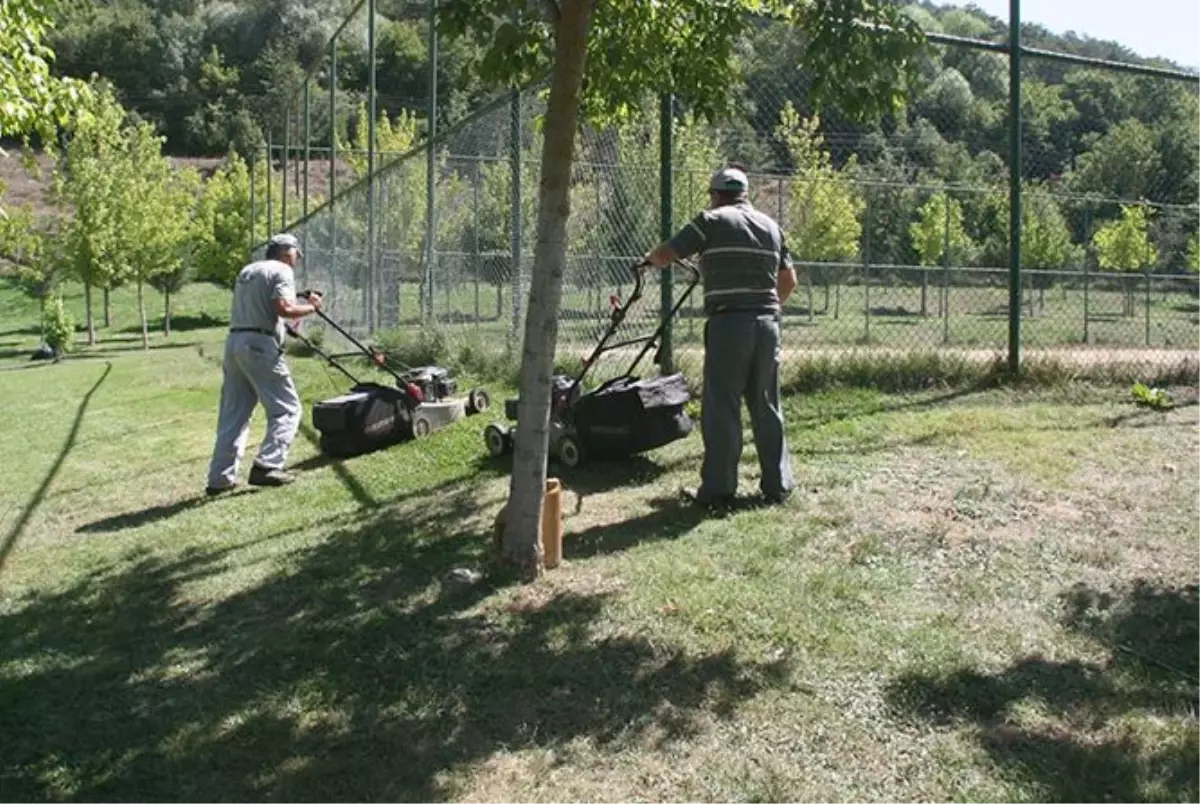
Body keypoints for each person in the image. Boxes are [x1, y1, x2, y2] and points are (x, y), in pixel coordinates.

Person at [641, 166, 798, 506]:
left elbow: (667, 253)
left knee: (722, 406)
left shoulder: (711, 221)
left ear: (715, 195)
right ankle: (778, 485)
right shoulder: (772, 227)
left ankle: (719, 489)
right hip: (768, 324)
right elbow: (788, 282)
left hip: (729, 323)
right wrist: (768, 306)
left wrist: (650, 260)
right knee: (767, 403)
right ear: (745, 193)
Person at [205, 233, 323, 495]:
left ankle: (219, 478)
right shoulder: (281, 270)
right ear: (285, 251)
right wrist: (312, 307)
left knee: (234, 413)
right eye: (296, 254)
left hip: (235, 342)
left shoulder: (248, 270)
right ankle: (267, 465)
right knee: (287, 409)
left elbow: (264, 305)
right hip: (259, 345)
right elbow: (284, 308)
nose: (297, 260)